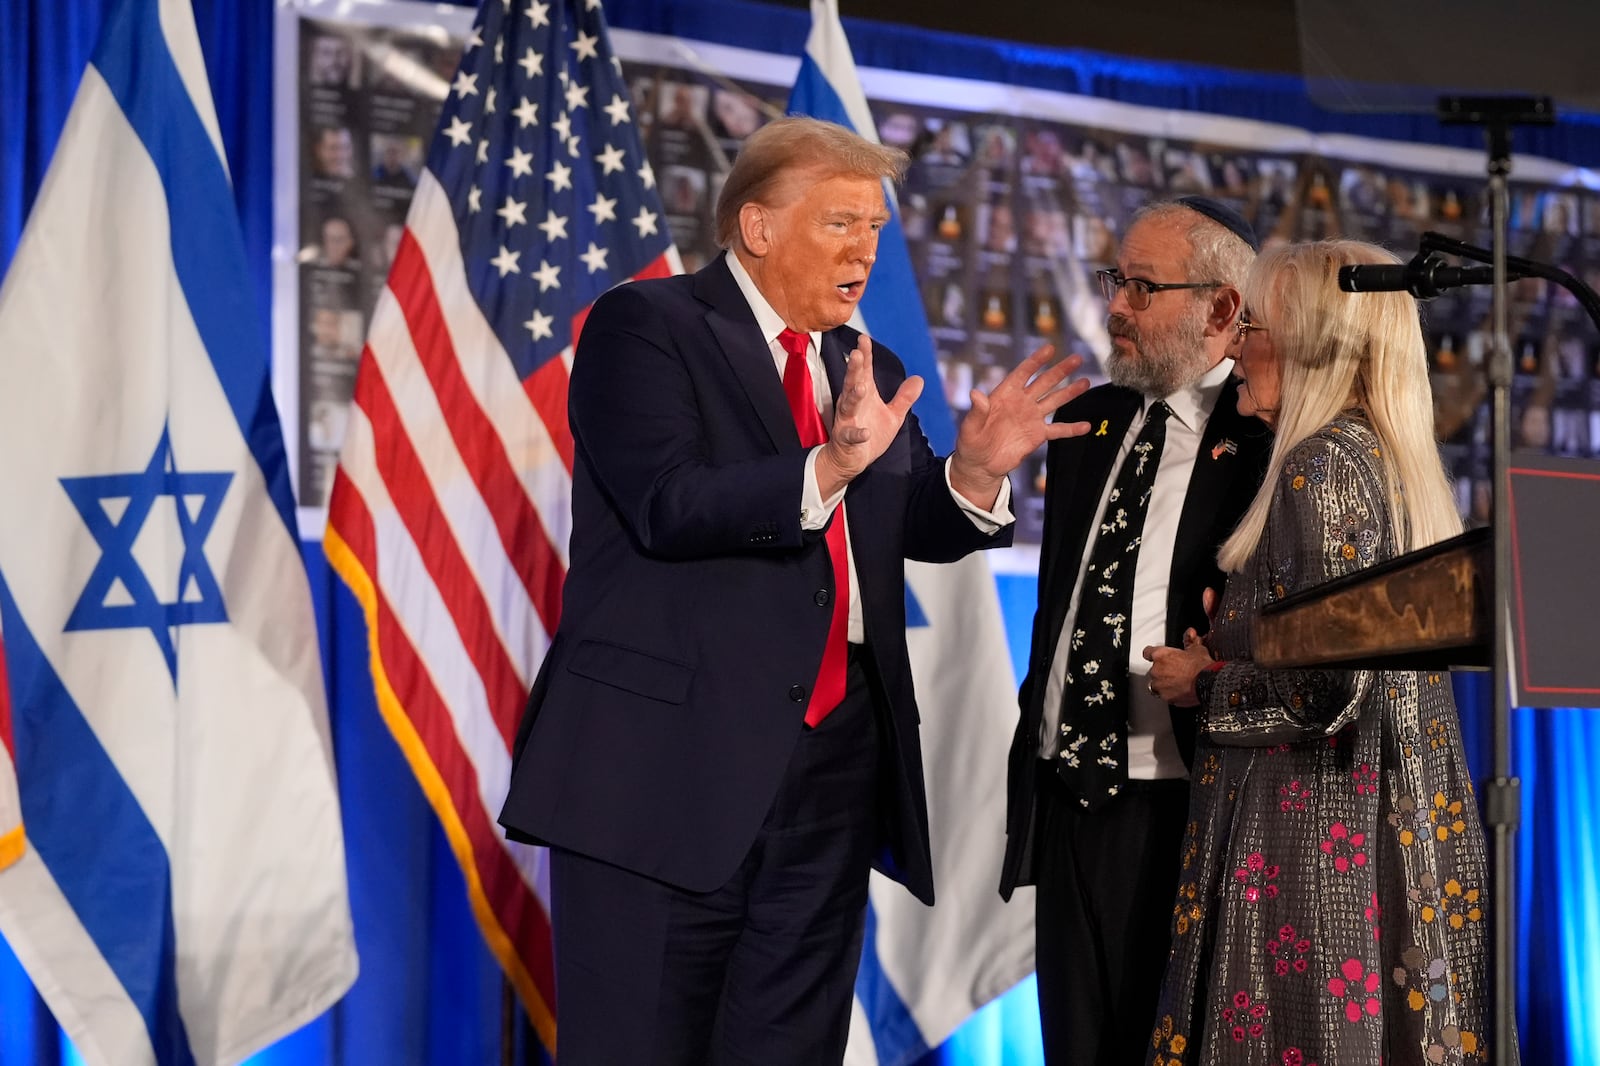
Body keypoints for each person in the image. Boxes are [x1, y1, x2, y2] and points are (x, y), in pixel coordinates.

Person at [497, 116, 1092, 1066]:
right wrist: (831, 462)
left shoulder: (868, 366)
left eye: (875, 229)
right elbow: (668, 503)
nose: (865, 249)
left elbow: (900, 526)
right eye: (842, 223)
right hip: (663, 776)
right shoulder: (646, 327)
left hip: (831, 778)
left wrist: (973, 475)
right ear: (758, 228)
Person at [1142, 239, 1497, 1065]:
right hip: (1384, 818)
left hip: (1318, 837)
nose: (1234, 348)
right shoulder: (1384, 458)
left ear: (1309, 342)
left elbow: (1326, 688)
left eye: (1253, 325)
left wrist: (1208, 680)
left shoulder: (1321, 467)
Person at [1000, 196, 1271, 1066]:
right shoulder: (1089, 425)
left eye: (1142, 288)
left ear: (1222, 309)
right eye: (1116, 281)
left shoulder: (1266, 438)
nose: (1116, 305)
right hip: (1067, 795)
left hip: (1188, 805)